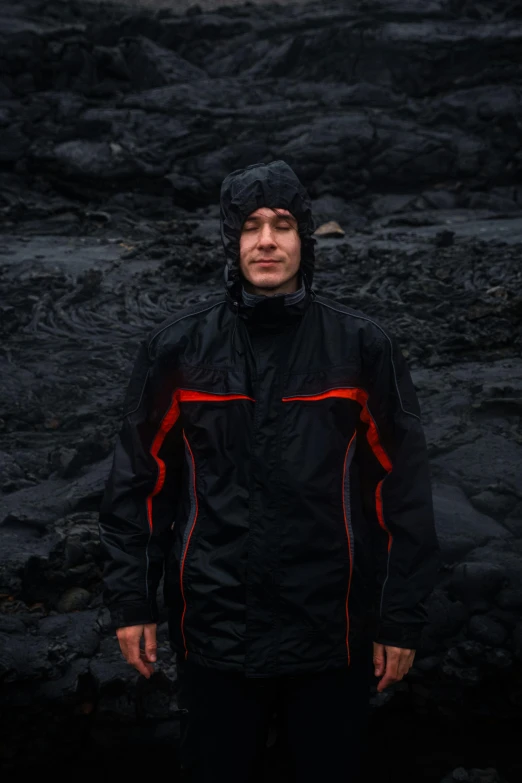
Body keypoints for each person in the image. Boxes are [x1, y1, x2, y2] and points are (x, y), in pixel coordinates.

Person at [98, 160, 441, 782]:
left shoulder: (363, 346)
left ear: (304, 237)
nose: (266, 241)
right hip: (213, 628)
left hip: (332, 630)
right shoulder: (177, 347)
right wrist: (130, 603)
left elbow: (403, 492)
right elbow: (138, 485)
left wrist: (400, 619)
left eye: (282, 225)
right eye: (251, 225)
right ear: (231, 238)